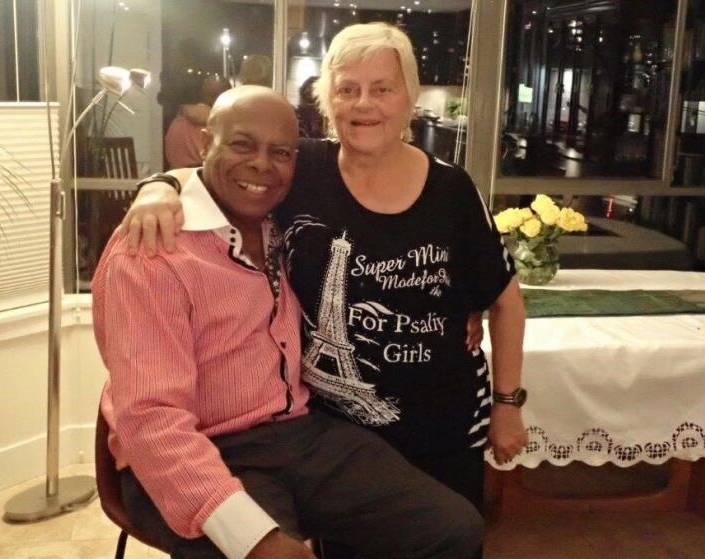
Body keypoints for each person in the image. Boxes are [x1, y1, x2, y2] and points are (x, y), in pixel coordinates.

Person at [122, 22, 528, 555]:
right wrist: (156, 186)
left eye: (382, 88)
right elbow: (214, 170)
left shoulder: (452, 189)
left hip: (444, 423)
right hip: (329, 425)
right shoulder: (300, 167)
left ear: (410, 96)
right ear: (326, 98)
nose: (365, 104)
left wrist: (507, 404)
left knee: (448, 534)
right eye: (347, 88)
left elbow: (503, 298)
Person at [164, 73, 231, 168]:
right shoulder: (217, 124)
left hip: (177, 177)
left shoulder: (177, 122)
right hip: (201, 179)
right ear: (222, 96)